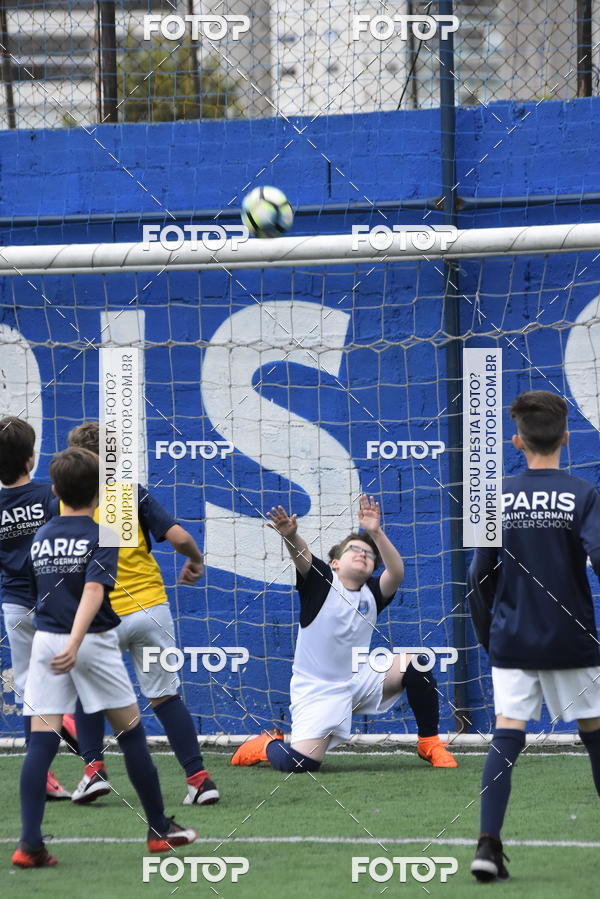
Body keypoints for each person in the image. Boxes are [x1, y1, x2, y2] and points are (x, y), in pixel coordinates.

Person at [12, 446, 197, 867]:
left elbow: (33, 589)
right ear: (99, 492)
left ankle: (29, 845)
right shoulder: (103, 535)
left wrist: (55, 637)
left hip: (46, 642)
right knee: (131, 734)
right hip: (90, 640)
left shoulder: (42, 535)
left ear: (55, 489)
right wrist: (76, 642)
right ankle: (157, 830)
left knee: (41, 741)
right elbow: (94, 591)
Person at [468, 390, 600, 882]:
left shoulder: (494, 496)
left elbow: (478, 577)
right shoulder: (583, 495)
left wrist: (492, 638)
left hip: (513, 640)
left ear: (516, 442)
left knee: (508, 734)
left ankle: (487, 845)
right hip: (573, 639)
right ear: (566, 437)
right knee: (594, 735)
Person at [231, 494, 457, 772]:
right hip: (318, 690)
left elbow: (396, 573)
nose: (363, 554)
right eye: (354, 550)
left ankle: (429, 743)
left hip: (360, 676)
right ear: (336, 563)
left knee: (417, 663)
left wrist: (375, 532)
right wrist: (290, 536)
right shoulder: (321, 583)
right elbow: (302, 556)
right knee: (300, 763)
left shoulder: (372, 593)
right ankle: (267, 744)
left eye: (370, 554)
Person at [66, 422, 218, 807]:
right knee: (166, 697)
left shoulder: (69, 504)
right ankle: (200, 781)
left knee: (89, 695)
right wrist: (195, 561)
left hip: (101, 615)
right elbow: (180, 538)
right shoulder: (130, 494)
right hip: (151, 611)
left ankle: (93, 771)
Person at [0, 416, 73, 800]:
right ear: (31, 459)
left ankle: (44, 772)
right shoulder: (51, 496)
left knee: (29, 686)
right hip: (53, 603)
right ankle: (74, 734)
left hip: (14, 606)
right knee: (63, 680)